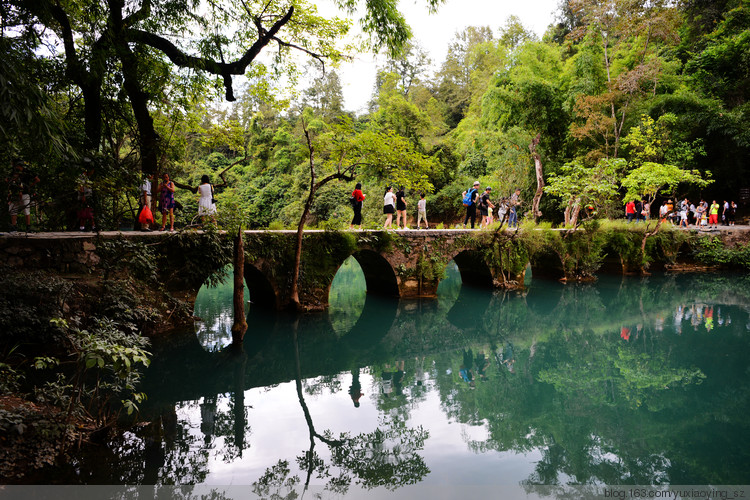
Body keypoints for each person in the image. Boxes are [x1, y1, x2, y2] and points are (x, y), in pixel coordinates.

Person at [7, 160, 40, 232]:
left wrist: (30, 186)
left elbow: (37, 179)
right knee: (13, 209)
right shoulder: (14, 172)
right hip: (14, 193)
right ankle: (14, 226)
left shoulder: (27, 172)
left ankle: (28, 227)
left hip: (24, 193)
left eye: (18, 166)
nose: (17, 167)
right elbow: (7, 180)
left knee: (26, 209)